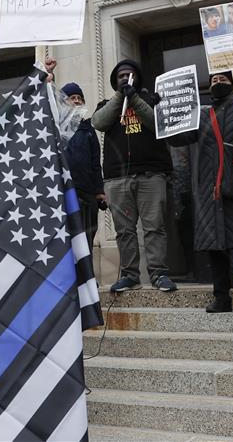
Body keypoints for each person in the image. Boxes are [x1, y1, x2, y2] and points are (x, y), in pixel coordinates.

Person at [169, 72, 233, 313]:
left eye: (223, 79)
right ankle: (221, 298)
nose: (217, 83)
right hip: (210, 190)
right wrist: (163, 114)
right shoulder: (201, 114)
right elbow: (178, 139)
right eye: (213, 80)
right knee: (216, 248)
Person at [91, 59, 177, 292]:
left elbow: (156, 123)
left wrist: (136, 99)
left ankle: (158, 273)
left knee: (154, 227)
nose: (125, 78)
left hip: (151, 174)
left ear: (137, 78)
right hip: (117, 178)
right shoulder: (106, 104)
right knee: (124, 230)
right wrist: (121, 97)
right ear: (115, 81)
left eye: (129, 75)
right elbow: (99, 122)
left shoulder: (151, 101)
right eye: (121, 76)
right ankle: (130, 274)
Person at [60, 82, 106, 255]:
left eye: (80, 98)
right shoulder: (57, 126)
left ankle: (88, 279)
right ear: (64, 101)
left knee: (87, 237)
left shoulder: (88, 129)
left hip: (87, 191)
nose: (77, 101)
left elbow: (96, 163)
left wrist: (99, 191)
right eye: (73, 98)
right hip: (64, 189)